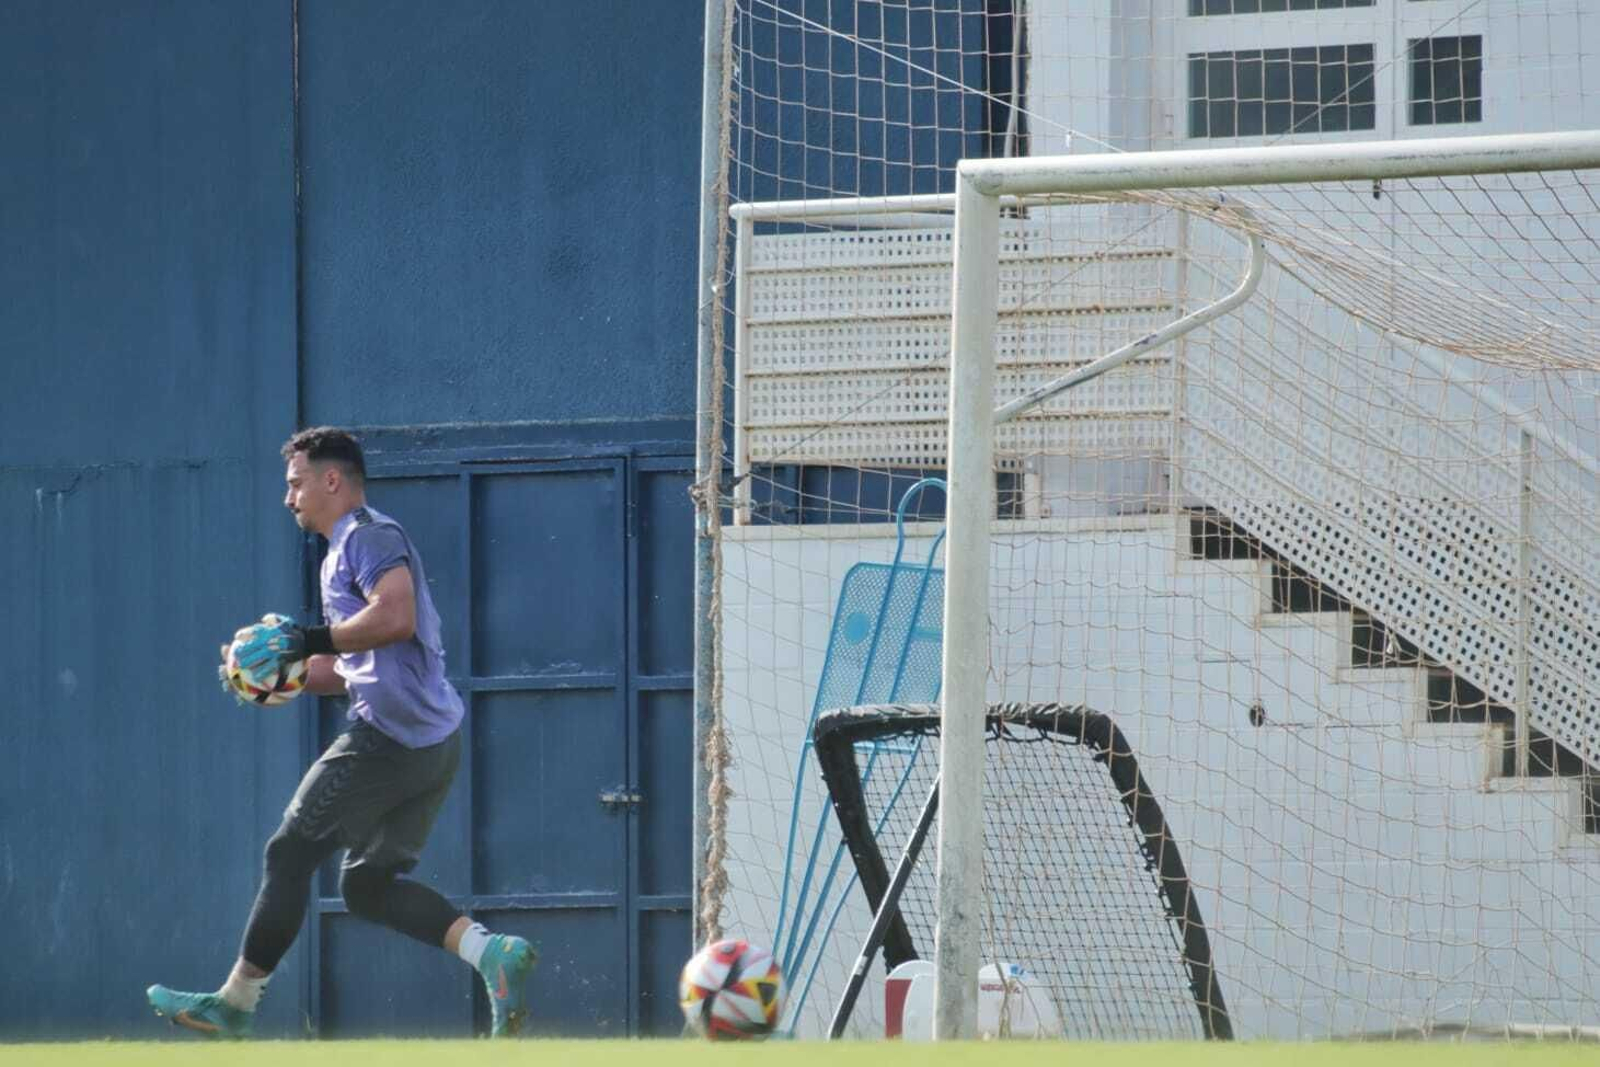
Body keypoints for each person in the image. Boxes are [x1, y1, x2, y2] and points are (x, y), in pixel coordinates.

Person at [148, 427, 536, 1039]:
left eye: (296, 483)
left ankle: (235, 1004)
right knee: (365, 886)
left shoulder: (368, 535)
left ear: (332, 480)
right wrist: (283, 675)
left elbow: (395, 614)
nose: (289, 497)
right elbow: (356, 661)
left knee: (287, 853)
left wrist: (304, 640)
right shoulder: (341, 550)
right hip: (432, 742)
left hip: (388, 739)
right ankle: (492, 953)